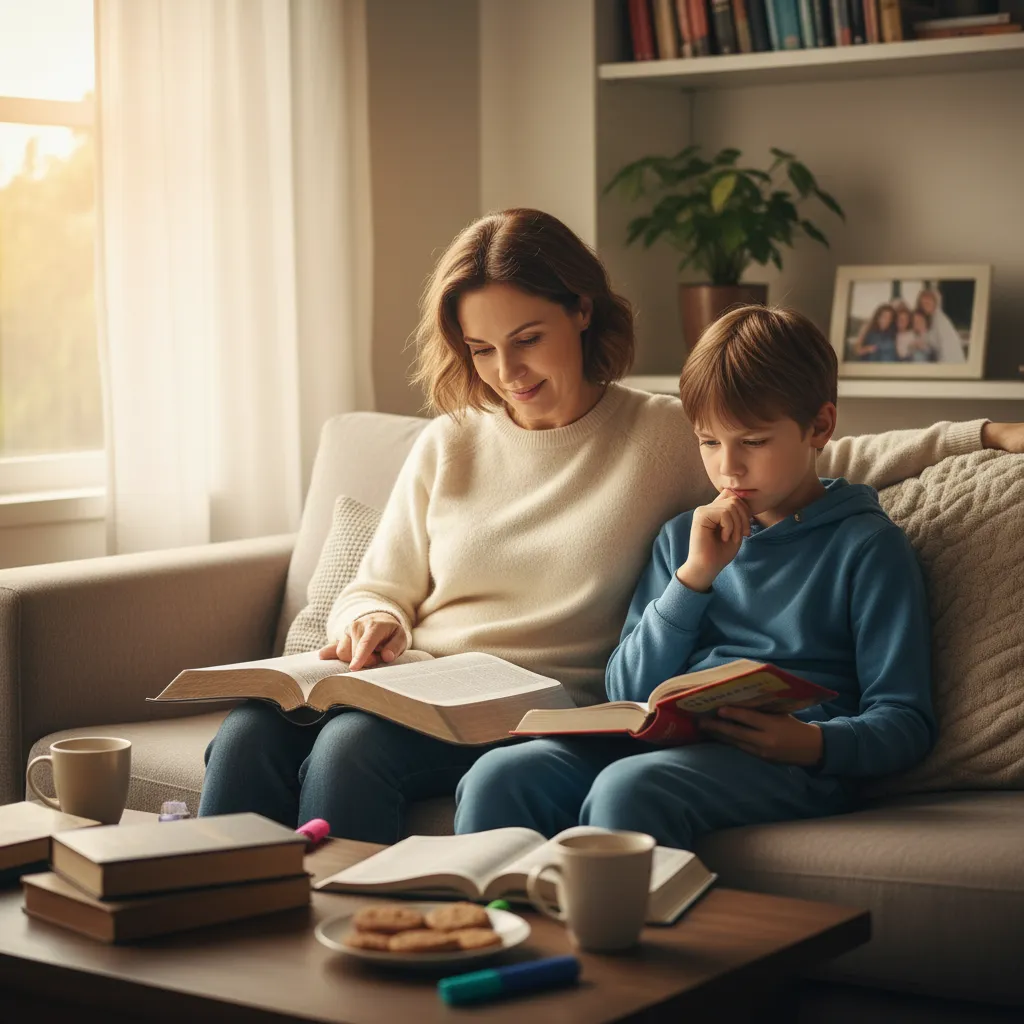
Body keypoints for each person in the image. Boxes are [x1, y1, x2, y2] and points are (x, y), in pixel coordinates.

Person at [197, 208, 1024, 844]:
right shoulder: (446, 443)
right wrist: (369, 616)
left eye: (527, 340)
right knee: (248, 735)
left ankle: (370, 965)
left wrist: (980, 433)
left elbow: (811, 454)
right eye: (482, 350)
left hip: (531, 702)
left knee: (348, 749)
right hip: (417, 681)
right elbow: (380, 581)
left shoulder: (667, 435)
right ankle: (208, 946)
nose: (508, 373)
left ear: (580, 312)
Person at [454, 306, 934, 849]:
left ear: (819, 426)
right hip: (671, 743)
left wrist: (812, 743)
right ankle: (489, 929)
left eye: (752, 442)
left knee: (629, 790)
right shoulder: (683, 540)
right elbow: (627, 690)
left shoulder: (867, 547)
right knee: (500, 775)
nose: (728, 468)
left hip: (789, 759)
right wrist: (694, 579)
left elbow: (905, 720)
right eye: (709, 442)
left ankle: (614, 935)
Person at [917, 288, 966, 363]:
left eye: (928, 302)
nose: (925, 306)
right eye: (923, 304)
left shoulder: (941, 320)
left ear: (935, 302)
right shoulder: (932, 320)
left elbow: (945, 346)